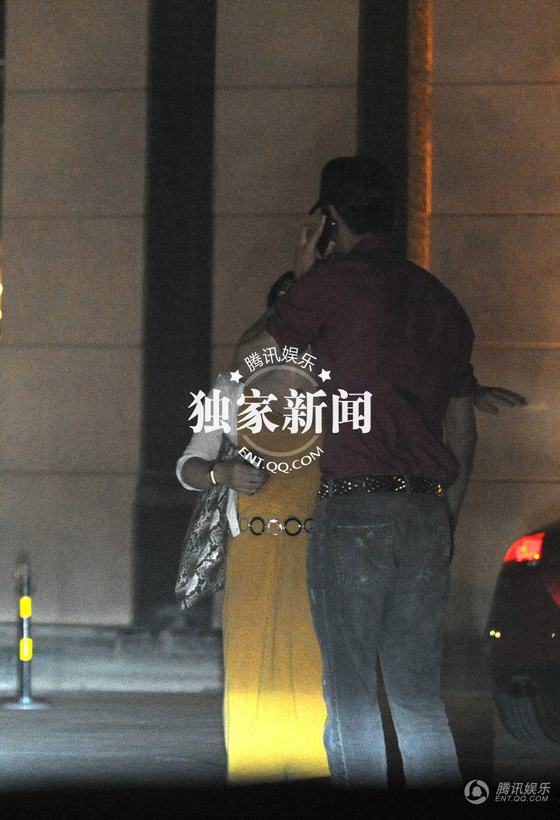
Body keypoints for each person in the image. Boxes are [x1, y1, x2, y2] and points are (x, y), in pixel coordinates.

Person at [233, 155, 523, 789]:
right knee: (418, 695)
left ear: (330, 220)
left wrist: (303, 276)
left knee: (351, 695)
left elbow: (252, 364)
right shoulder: (440, 300)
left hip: (354, 510)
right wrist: (444, 520)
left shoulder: (328, 287)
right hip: (426, 513)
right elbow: (462, 429)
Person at [176, 275, 329, 783]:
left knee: (312, 668)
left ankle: (313, 774)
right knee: (249, 667)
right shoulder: (229, 388)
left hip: (319, 548)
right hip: (253, 546)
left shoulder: (335, 388)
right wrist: (221, 473)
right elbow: (188, 465)